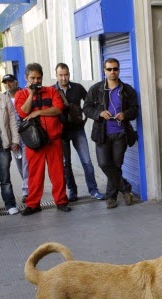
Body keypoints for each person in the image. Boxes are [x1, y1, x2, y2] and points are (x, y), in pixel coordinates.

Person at [15, 63, 71, 215]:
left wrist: (38, 113)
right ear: (26, 78)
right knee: (34, 175)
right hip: (34, 143)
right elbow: (23, 112)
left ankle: (61, 201)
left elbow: (58, 109)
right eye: (32, 78)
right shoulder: (21, 95)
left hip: (53, 140)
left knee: (58, 173)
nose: (36, 81)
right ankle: (33, 204)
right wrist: (31, 94)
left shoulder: (52, 91)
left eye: (38, 78)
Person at [83, 58, 139, 209]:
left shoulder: (127, 90)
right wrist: (100, 113)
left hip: (120, 133)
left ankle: (111, 197)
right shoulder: (96, 89)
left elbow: (135, 110)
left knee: (116, 165)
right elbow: (86, 108)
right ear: (104, 71)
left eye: (115, 69)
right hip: (102, 134)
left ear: (119, 70)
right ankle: (126, 188)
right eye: (109, 69)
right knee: (103, 164)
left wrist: (125, 114)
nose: (112, 72)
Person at [54, 63, 104, 201]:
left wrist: (84, 119)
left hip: (77, 130)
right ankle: (73, 191)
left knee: (87, 161)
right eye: (61, 75)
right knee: (66, 164)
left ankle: (93, 190)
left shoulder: (78, 88)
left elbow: (89, 104)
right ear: (56, 75)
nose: (64, 78)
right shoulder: (52, 90)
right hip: (61, 132)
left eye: (66, 74)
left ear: (69, 74)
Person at [2, 74, 28, 202]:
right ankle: (27, 186)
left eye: (10, 82)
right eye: (5, 82)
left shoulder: (24, 93)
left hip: (27, 133)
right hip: (13, 136)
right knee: (19, 163)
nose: (8, 84)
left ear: (16, 82)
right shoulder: (3, 98)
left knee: (26, 163)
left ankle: (26, 190)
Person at [0, 90, 22, 215]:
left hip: (2, 145)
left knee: (5, 177)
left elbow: (12, 120)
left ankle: (10, 204)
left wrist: (15, 140)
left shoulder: (3, 98)